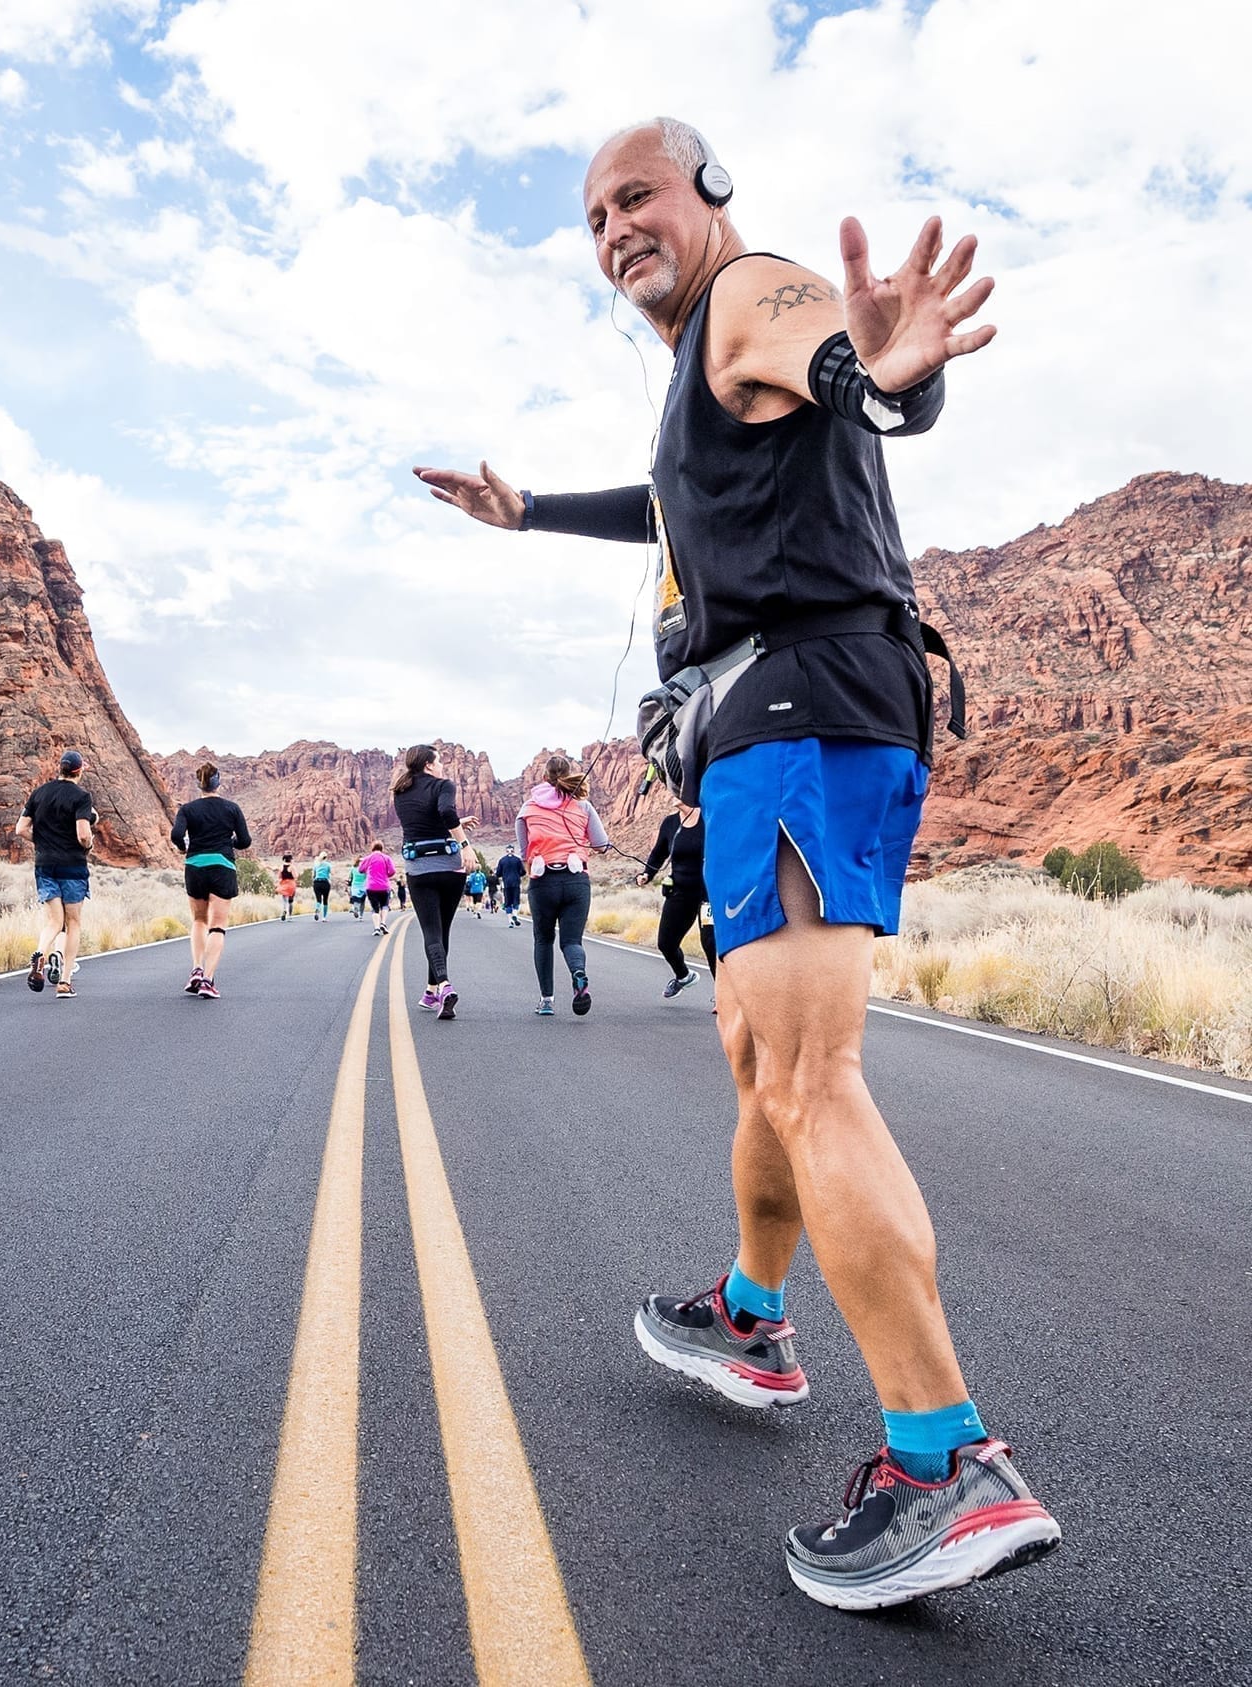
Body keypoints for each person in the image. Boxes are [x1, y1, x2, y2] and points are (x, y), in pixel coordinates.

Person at [412, 119, 1059, 1608]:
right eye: (590, 217)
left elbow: (838, 354)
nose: (612, 228)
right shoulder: (707, 382)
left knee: (811, 1075)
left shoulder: (748, 297)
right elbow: (672, 505)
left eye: (634, 195)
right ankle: (756, 1310)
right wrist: (529, 515)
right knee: (752, 1042)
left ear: (706, 193)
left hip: (798, 714)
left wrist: (891, 370)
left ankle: (943, 1457)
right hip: (791, 721)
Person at [516, 755, 609, 1016]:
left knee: (543, 939)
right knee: (571, 940)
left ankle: (546, 1000)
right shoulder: (584, 806)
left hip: (543, 880)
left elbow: (525, 852)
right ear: (569, 775)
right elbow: (601, 845)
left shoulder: (527, 809)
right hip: (576, 880)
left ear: (544, 777)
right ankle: (578, 973)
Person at [391, 744, 478, 1020]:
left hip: (419, 870)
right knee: (443, 931)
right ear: (428, 764)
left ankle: (437, 987)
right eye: (439, 761)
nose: (442, 766)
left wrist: (457, 821)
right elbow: (446, 813)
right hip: (451, 869)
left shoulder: (401, 791)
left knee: (431, 931)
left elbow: (426, 822)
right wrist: (465, 844)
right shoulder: (444, 786)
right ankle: (437, 989)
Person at [15, 749, 95, 999]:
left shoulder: (39, 793)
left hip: (45, 865)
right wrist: (88, 845)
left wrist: (42, 842)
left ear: (59, 768)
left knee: (53, 921)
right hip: (72, 866)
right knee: (73, 924)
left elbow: (21, 829)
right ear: (79, 771)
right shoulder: (82, 797)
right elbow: (83, 834)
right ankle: (65, 982)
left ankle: (41, 953)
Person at [170, 761, 251, 999]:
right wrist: (229, 843)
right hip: (222, 867)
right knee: (217, 926)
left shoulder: (188, 809)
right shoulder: (232, 808)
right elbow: (245, 841)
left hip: (194, 866)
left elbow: (176, 834)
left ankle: (196, 969)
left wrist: (183, 846)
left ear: (200, 784)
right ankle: (207, 980)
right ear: (219, 782)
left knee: (198, 920)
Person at [640, 801, 717, 998]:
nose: (674, 795)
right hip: (680, 892)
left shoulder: (709, 819)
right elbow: (659, 852)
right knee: (666, 943)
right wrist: (647, 874)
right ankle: (684, 976)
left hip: (707, 893)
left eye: (680, 790)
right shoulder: (670, 823)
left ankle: (722, 994)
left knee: (710, 943)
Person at [358, 840, 397, 936]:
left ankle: (376, 928)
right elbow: (392, 871)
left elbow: (360, 870)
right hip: (384, 886)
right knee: (384, 905)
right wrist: (386, 875)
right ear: (382, 848)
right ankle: (383, 923)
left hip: (371, 886)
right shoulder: (386, 858)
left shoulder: (369, 858)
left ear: (372, 848)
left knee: (375, 908)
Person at [494, 845, 525, 927]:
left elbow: (498, 873)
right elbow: (523, 871)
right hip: (516, 882)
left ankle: (510, 920)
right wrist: (518, 874)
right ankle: (515, 914)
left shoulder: (502, 860)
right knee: (516, 900)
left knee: (508, 902)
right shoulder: (518, 860)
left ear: (506, 851)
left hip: (506, 883)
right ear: (513, 851)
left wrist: (503, 874)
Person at [311, 851, 332, 919]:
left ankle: (317, 909)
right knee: (325, 900)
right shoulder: (328, 865)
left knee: (318, 899)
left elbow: (313, 875)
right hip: (325, 883)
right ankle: (324, 917)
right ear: (326, 857)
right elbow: (331, 873)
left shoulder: (316, 865)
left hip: (317, 883)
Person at [278, 853, 297, 920]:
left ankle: (284, 910)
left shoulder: (281, 867)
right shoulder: (292, 867)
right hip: (291, 884)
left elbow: (279, 876)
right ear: (290, 860)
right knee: (290, 901)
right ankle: (290, 915)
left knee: (284, 900)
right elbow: (295, 876)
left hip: (283, 884)